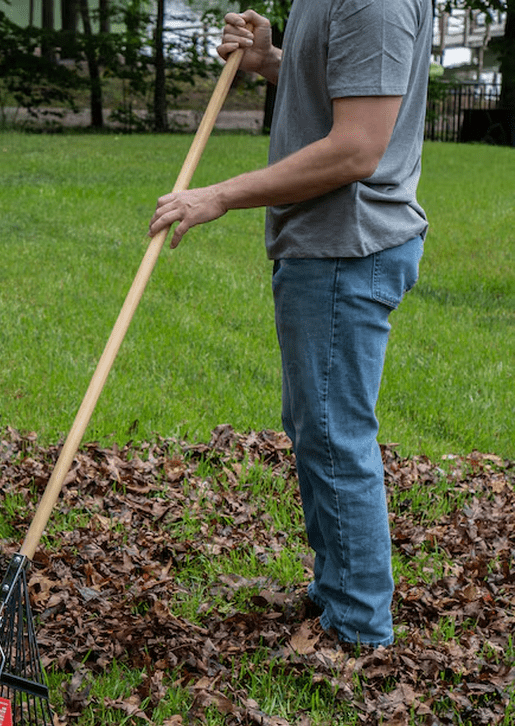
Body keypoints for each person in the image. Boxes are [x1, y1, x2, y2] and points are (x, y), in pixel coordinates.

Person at [149, 0, 432, 647]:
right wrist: (267, 62)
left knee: (333, 434)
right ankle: (338, 590)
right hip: (323, 242)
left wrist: (217, 195)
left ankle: (358, 626)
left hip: (346, 247)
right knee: (316, 428)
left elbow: (357, 147)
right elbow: (349, 84)